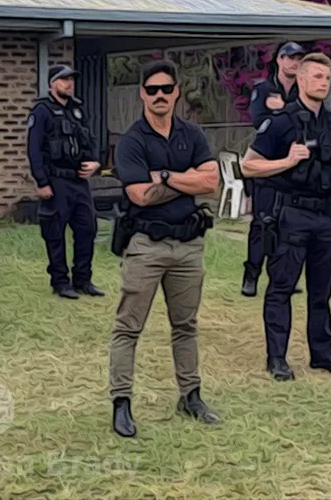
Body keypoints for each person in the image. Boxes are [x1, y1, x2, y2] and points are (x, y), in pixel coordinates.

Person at [108, 60, 221, 438]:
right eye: (152, 89)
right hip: (146, 245)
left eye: (166, 89)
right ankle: (121, 403)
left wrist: (168, 176)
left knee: (186, 325)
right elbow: (140, 194)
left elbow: (213, 183)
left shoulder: (192, 134)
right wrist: (190, 179)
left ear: (176, 92)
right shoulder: (132, 141)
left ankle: (190, 396)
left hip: (189, 245)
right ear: (142, 93)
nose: (159, 96)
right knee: (128, 327)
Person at [241, 52, 331, 381]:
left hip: (327, 217)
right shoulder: (280, 122)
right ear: (302, 80)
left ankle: (322, 353)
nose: (323, 83)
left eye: (327, 79)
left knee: (321, 291)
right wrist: (286, 162)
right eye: (317, 77)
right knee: (281, 288)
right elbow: (248, 164)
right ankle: (277, 358)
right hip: (291, 215)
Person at [26, 64, 104, 299]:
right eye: (63, 80)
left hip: (79, 182)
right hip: (56, 180)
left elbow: (90, 142)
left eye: (71, 79)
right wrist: (41, 182)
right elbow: (34, 149)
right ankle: (60, 282)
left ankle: (83, 280)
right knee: (55, 233)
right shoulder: (42, 111)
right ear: (51, 84)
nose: (68, 83)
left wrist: (96, 163)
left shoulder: (77, 110)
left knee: (87, 229)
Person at [242, 41, 308, 297]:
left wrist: (282, 109)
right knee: (261, 225)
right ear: (279, 60)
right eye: (289, 57)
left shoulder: (303, 90)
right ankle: (251, 275)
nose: (294, 62)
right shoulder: (264, 89)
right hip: (266, 161)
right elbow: (259, 121)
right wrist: (283, 113)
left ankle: (284, 276)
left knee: (289, 225)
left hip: (295, 164)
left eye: (298, 58)